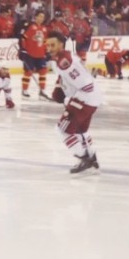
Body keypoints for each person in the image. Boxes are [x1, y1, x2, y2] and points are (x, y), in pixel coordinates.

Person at [46, 31, 103, 174]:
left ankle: (84, 158)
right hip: (93, 98)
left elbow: (85, 85)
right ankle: (91, 155)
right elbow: (68, 78)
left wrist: (71, 101)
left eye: (53, 45)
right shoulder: (64, 58)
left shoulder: (65, 62)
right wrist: (60, 89)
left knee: (62, 130)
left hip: (84, 98)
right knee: (80, 131)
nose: (49, 48)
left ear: (61, 44)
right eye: (48, 45)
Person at [18, 9, 49, 98]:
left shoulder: (44, 28)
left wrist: (46, 51)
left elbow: (45, 41)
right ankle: (24, 90)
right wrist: (23, 49)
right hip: (29, 54)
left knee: (43, 72)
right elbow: (22, 38)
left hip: (41, 54)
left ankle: (42, 90)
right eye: (40, 16)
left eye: (43, 17)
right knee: (28, 72)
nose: (41, 18)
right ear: (35, 17)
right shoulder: (29, 26)